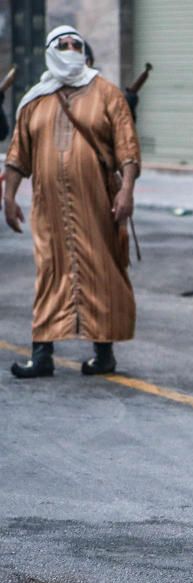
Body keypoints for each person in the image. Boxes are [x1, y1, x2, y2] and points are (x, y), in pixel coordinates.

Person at [4, 25, 140, 378]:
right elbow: (18, 154)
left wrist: (126, 191)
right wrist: (8, 196)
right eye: (62, 43)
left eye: (75, 43)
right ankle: (42, 353)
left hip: (98, 203)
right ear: (51, 50)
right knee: (50, 271)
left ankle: (103, 354)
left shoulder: (107, 94)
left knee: (102, 271)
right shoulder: (35, 100)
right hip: (48, 207)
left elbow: (127, 147)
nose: (69, 47)